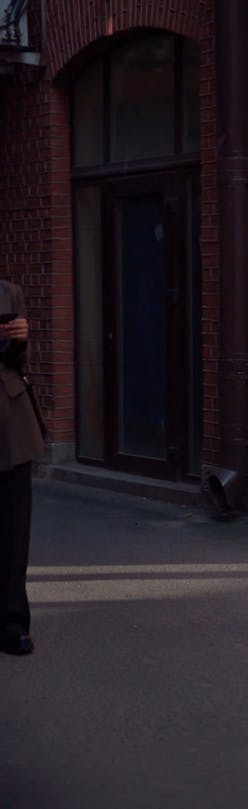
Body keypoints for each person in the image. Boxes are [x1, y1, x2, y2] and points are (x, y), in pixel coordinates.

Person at [0, 279, 45, 655]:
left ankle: (12, 622)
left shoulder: (8, 292)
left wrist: (20, 339)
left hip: (10, 423)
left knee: (15, 530)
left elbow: (19, 362)